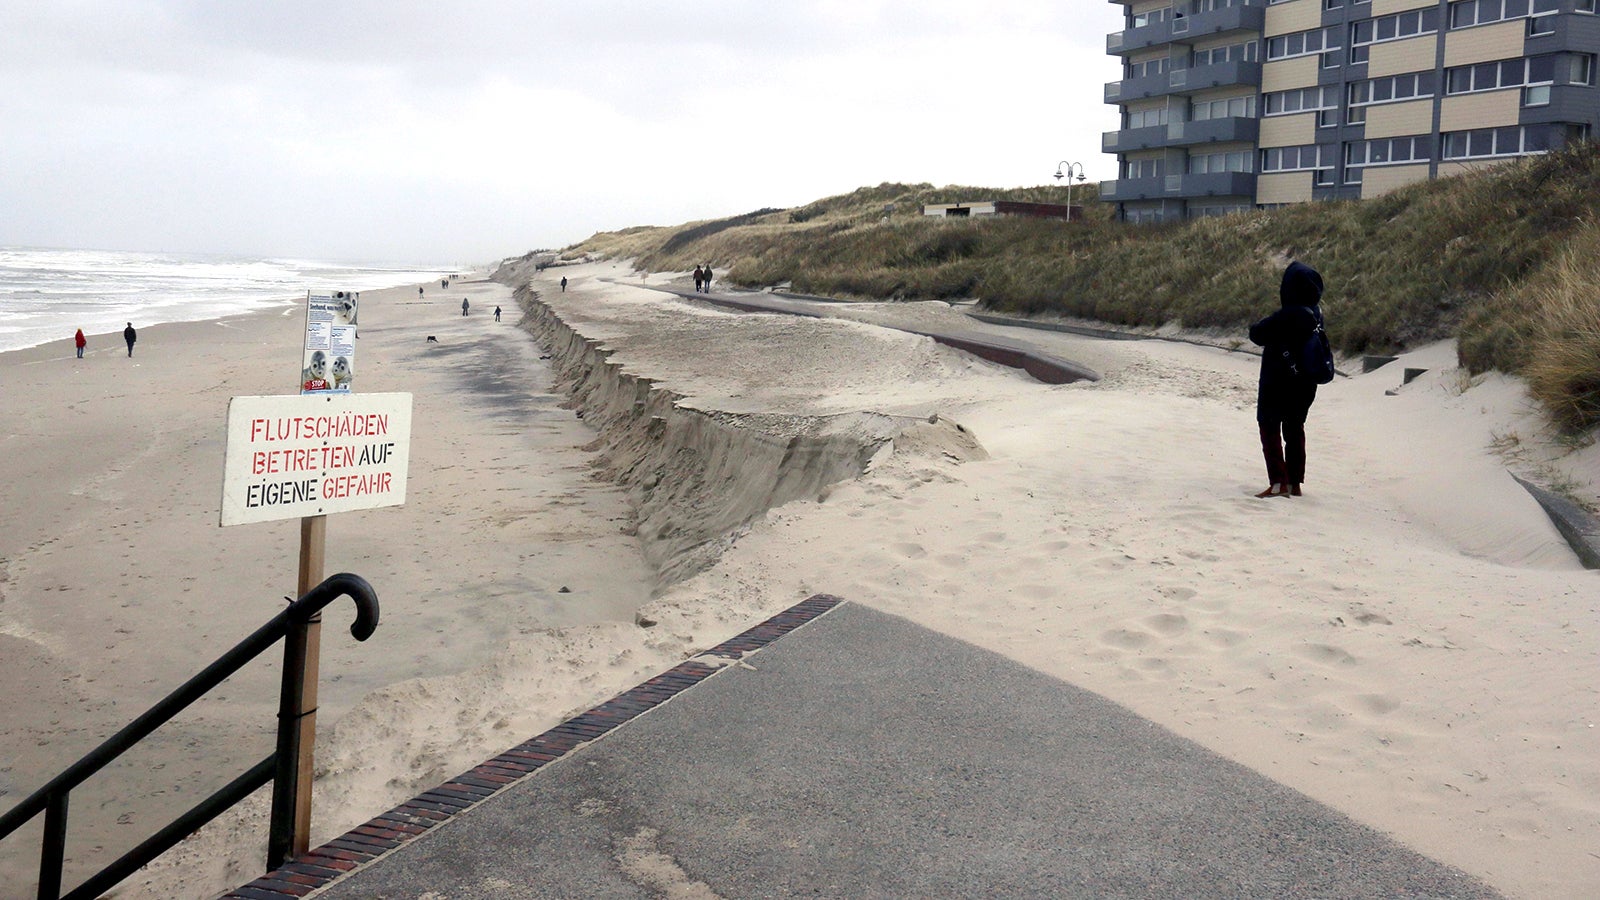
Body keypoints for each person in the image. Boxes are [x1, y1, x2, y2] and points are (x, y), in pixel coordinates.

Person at [1248, 261, 1325, 498]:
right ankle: (1294, 483)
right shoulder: (1315, 314)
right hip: (1305, 383)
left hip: (1277, 381)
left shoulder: (1288, 314)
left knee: (1269, 427)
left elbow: (1257, 334)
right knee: (1294, 429)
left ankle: (1278, 483)